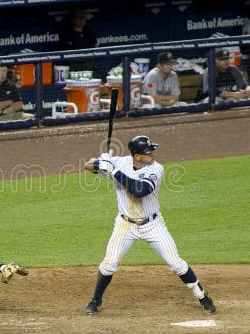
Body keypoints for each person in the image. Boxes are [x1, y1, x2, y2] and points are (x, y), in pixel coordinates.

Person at [82, 135, 217, 316]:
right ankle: (96, 300)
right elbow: (87, 165)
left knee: (176, 264)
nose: (152, 153)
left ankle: (202, 296)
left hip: (153, 225)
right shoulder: (120, 163)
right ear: (136, 156)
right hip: (125, 225)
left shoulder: (156, 169)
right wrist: (100, 162)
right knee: (108, 264)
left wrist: (112, 171)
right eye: (147, 152)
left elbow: (140, 190)